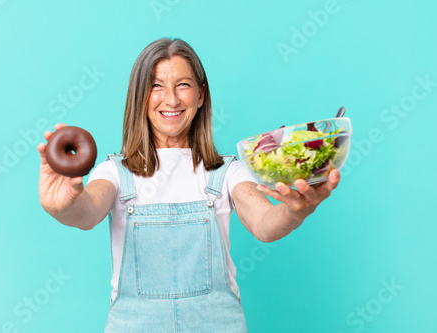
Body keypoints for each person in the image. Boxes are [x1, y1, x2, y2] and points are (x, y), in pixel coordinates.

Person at [37, 38, 341, 332]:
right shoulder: (115, 172)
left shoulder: (227, 171)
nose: (171, 99)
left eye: (183, 84)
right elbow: (86, 213)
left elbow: (264, 224)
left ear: (201, 95)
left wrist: (296, 211)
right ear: (139, 96)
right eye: (156, 86)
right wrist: (63, 206)